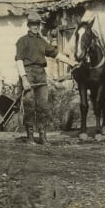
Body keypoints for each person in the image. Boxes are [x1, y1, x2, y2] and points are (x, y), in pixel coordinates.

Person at [15, 11, 74, 145]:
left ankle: (42, 136)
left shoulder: (42, 41)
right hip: (28, 73)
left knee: (43, 106)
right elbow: (19, 60)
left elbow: (55, 54)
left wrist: (71, 63)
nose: (36, 27)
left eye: (38, 24)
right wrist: (24, 79)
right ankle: (30, 137)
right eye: (33, 24)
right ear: (29, 25)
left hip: (41, 73)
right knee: (29, 105)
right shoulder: (22, 41)